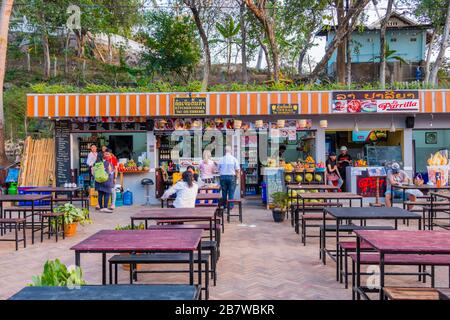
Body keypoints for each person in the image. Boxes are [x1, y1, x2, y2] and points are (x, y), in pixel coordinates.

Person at [95, 149, 115, 213]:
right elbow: (110, 171)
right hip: (106, 180)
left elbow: (93, 172)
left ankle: (101, 208)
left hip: (98, 181)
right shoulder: (107, 163)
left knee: (100, 194)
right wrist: (112, 172)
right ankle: (105, 208)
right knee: (107, 194)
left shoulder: (95, 163)